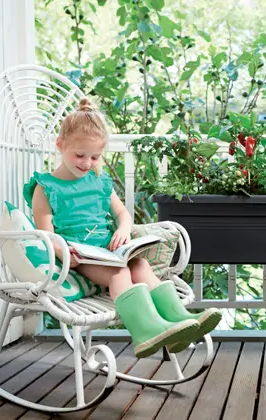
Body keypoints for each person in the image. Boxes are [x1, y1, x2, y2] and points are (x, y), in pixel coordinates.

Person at [23, 97, 222, 358]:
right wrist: (63, 253)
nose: (87, 163)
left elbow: (122, 214)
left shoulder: (98, 181)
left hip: (109, 250)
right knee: (120, 274)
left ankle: (179, 321)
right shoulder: (46, 187)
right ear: (60, 145)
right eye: (80, 155)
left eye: (95, 157)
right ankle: (145, 332)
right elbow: (46, 234)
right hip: (81, 257)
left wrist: (123, 230)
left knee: (140, 265)